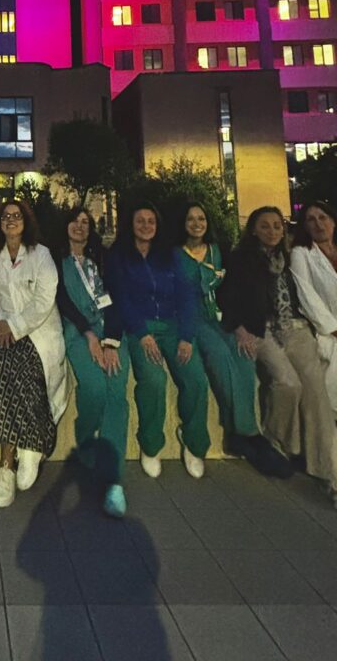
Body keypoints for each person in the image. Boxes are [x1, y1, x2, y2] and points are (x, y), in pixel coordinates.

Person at [219, 206, 337, 503]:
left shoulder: (289, 257)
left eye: (276, 225)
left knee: (316, 393)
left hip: (295, 329)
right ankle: (277, 441)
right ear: (253, 230)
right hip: (262, 330)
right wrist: (240, 329)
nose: (272, 231)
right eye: (265, 225)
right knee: (288, 383)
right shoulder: (242, 259)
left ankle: (329, 474)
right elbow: (227, 297)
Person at [174, 202, 292, 477]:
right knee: (219, 356)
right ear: (182, 223)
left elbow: (231, 290)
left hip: (219, 317)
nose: (196, 223)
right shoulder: (175, 255)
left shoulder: (217, 252)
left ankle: (236, 432)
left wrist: (240, 328)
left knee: (243, 356)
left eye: (201, 218)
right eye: (190, 219)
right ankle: (248, 434)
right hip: (191, 319)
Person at [106, 202, 209, 479]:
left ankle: (194, 442)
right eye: (140, 220)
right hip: (140, 328)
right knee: (153, 380)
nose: (146, 226)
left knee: (196, 379)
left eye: (151, 221)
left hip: (174, 326)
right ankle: (151, 445)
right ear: (130, 224)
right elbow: (120, 297)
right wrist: (142, 333)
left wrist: (186, 336)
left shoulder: (171, 255)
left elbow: (187, 295)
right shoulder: (119, 255)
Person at [0, 199, 68, 508]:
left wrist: (15, 327)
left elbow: (44, 300)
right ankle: (7, 465)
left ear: (26, 221)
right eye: (6, 216)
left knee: (26, 368)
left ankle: (30, 447)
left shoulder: (41, 255)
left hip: (39, 332)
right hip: (4, 332)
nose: (11, 220)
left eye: (17, 215)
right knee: (2, 367)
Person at [56, 205, 130, 518]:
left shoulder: (102, 260)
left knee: (116, 394)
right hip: (77, 332)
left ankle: (113, 480)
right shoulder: (57, 262)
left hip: (110, 332)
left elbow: (116, 300)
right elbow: (63, 301)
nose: (80, 226)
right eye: (74, 221)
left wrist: (111, 341)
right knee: (95, 388)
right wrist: (88, 335)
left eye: (85, 222)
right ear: (65, 226)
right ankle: (86, 437)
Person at [290, 200, 337, 418]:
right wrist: (333, 328)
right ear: (305, 226)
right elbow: (306, 294)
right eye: (311, 219)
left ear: (333, 221)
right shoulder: (301, 253)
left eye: (323, 217)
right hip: (326, 328)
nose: (318, 224)